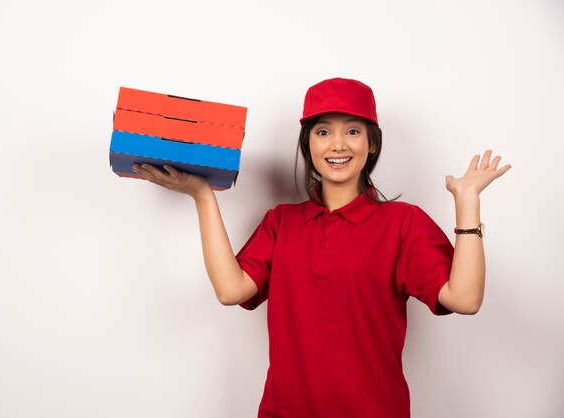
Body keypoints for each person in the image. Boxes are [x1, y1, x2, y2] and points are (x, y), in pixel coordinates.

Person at [131, 77, 511, 418]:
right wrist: (202, 195)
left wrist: (467, 201)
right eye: (323, 132)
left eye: (353, 131)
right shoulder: (281, 222)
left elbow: (464, 298)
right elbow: (231, 290)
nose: (338, 144)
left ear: (372, 142)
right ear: (308, 143)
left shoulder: (402, 223)